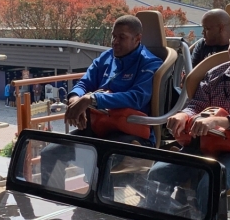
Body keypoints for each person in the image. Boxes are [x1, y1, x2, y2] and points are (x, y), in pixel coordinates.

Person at [152, 19, 230, 203]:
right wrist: (183, 114)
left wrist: (219, 121)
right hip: (206, 146)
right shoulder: (215, 73)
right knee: (158, 174)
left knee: (210, 181)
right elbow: (197, 104)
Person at [61, 15, 164, 144]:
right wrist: (75, 100)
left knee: (104, 157)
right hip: (98, 127)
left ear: (137, 39)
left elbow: (137, 98)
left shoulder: (150, 63)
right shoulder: (105, 58)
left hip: (130, 132)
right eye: (113, 36)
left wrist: (92, 99)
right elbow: (84, 83)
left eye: (122, 37)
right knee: (52, 152)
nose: (115, 41)